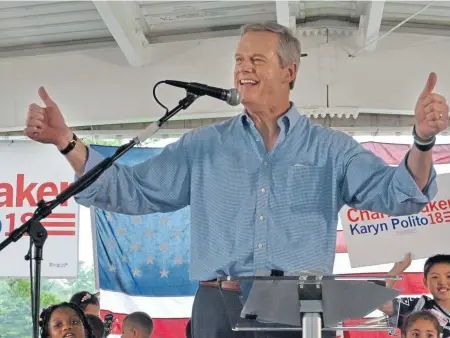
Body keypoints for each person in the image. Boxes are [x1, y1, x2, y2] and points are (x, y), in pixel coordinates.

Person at [25, 21, 448, 338]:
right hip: (217, 305)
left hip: (300, 309)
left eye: (256, 60)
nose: (243, 69)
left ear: (289, 72)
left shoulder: (331, 148)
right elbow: (132, 191)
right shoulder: (203, 145)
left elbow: (402, 195)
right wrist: (67, 142)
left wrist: (422, 141)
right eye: (239, 60)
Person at [382, 254, 450, 337]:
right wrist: (395, 271)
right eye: (435, 277)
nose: (442, 282)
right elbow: (379, 301)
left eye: (449, 276)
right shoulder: (419, 305)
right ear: (425, 281)